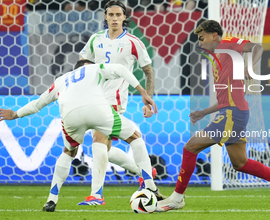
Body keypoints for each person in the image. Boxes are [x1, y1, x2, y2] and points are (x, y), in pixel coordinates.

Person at [156, 20, 270, 212]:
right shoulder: (219, 60)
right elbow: (225, 99)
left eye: (202, 38)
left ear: (214, 35)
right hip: (234, 112)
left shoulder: (226, 43)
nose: (200, 43)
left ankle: (177, 198)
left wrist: (250, 68)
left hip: (233, 115)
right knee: (240, 163)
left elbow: (258, 47)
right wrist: (204, 112)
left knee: (190, 148)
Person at [0, 59, 158, 212]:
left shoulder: (61, 80)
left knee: (68, 152)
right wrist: (143, 92)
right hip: (97, 110)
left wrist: (15, 114)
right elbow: (122, 70)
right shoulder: (95, 68)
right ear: (85, 66)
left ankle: (52, 199)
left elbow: (38, 104)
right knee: (134, 137)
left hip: (70, 116)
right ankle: (150, 185)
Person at [79, 0, 164, 198]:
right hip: (93, 97)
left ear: (125, 17)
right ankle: (143, 173)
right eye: (111, 15)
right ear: (105, 17)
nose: (115, 18)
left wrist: (148, 98)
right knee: (105, 148)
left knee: (98, 139)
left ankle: (96, 195)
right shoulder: (95, 39)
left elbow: (148, 71)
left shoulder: (133, 42)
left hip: (114, 99)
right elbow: (83, 63)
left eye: (119, 15)